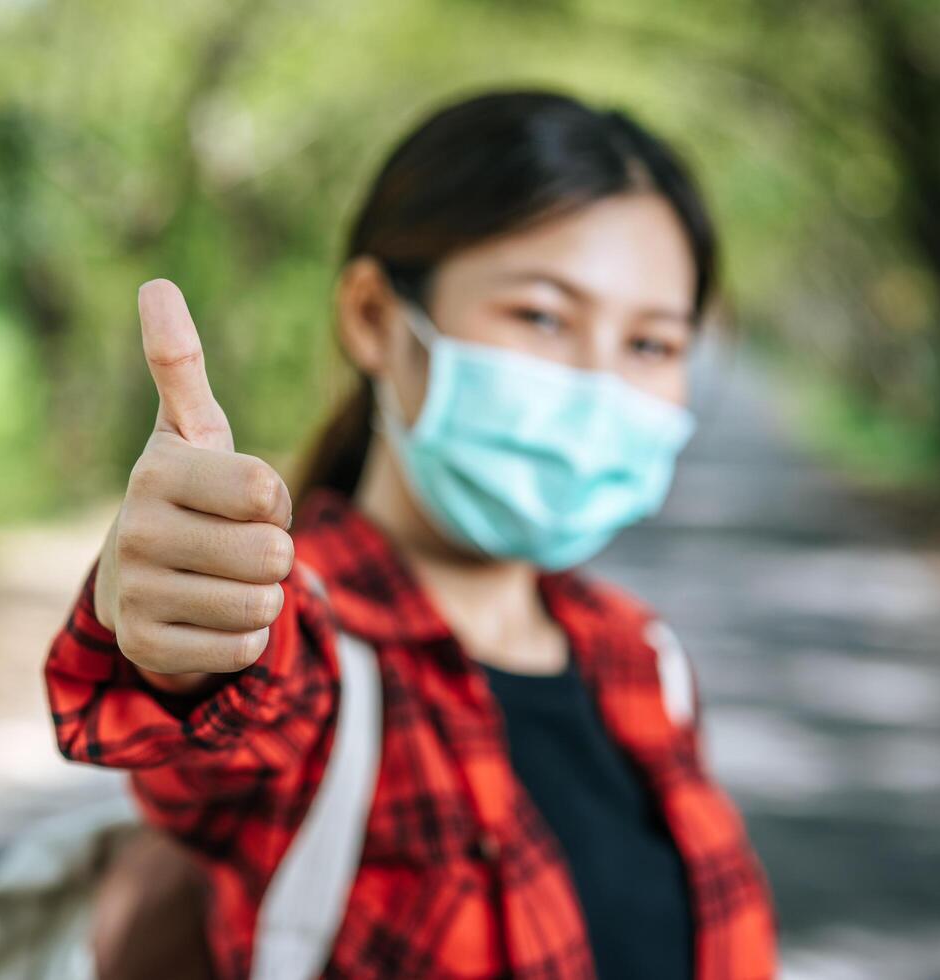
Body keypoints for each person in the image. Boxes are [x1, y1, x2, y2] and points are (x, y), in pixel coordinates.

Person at [44, 88, 777, 979]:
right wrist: (181, 627)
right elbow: (223, 711)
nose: (598, 383)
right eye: (541, 317)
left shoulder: (641, 658)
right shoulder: (304, 639)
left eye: (652, 345)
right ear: (373, 318)